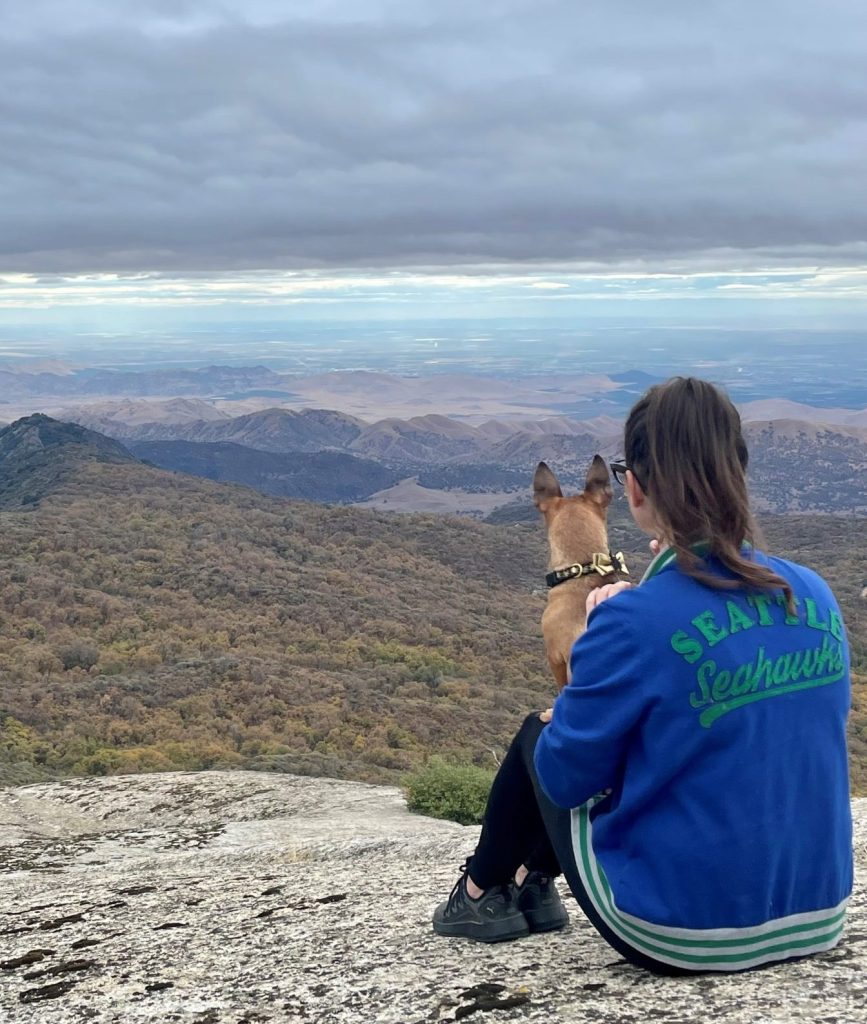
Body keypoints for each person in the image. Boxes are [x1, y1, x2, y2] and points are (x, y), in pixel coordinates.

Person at [432, 377, 853, 974]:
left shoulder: (629, 618)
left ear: (633, 488)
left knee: (540, 735)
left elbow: (564, 780)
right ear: (741, 469)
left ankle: (478, 895)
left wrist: (596, 658)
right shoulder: (813, 591)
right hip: (820, 911)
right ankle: (528, 882)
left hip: (682, 932)